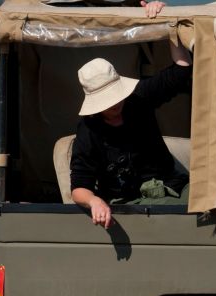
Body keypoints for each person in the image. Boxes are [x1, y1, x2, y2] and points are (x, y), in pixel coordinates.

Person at [70, 1, 191, 229]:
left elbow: (181, 71)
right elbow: (79, 187)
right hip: (128, 205)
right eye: (107, 100)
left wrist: (169, 22)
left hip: (172, 189)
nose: (115, 103)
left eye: (116, 95)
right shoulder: (88, 131)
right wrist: (94, 201)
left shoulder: (138, 98)